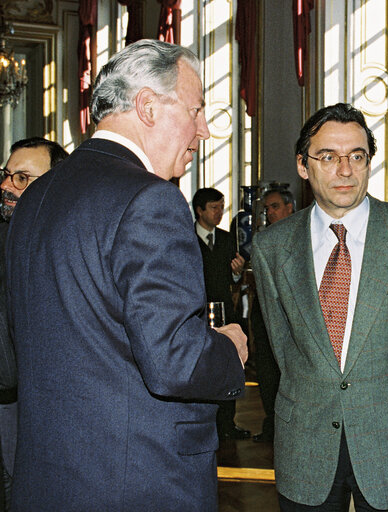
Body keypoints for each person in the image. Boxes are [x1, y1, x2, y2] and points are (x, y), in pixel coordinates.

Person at [5, 40, 247, 511]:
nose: (204, 130)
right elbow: (174, 361)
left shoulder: (36, 197)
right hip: (137, 481)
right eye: (196, 109)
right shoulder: (150, 200)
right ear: (148, 106)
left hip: (48, 478)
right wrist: (228, 350)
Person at [250, 102, 388, 511]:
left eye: (357, 156)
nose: (345, 170)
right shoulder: (271, 248)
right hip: (305, 444)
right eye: (329, 157)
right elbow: (282, 349)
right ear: (304, 166)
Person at [0, 137, 68, 510]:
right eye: (7, 175)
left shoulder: (69, 238)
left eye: (22, 178)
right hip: (12, 399)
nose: (7, 186)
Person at [191, 187, 250, 440]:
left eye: (221, 207)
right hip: (195, 314)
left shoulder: (227, 240)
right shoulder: (185, 239)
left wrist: (237, 273)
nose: (219, 213)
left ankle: (227, 423)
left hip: (225, 312)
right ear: (199, 210)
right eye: (214, 208)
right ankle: (202, 424)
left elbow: (234, 281)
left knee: (228, 363)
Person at [250, 187, 294, 443]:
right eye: (267, 209)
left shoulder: (305, 235)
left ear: (290, 207)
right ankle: (272, 425)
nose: (270, 213)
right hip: (265, 318)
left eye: (275, 206)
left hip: (292, 320)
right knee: (267, 374)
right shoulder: (263, 240)